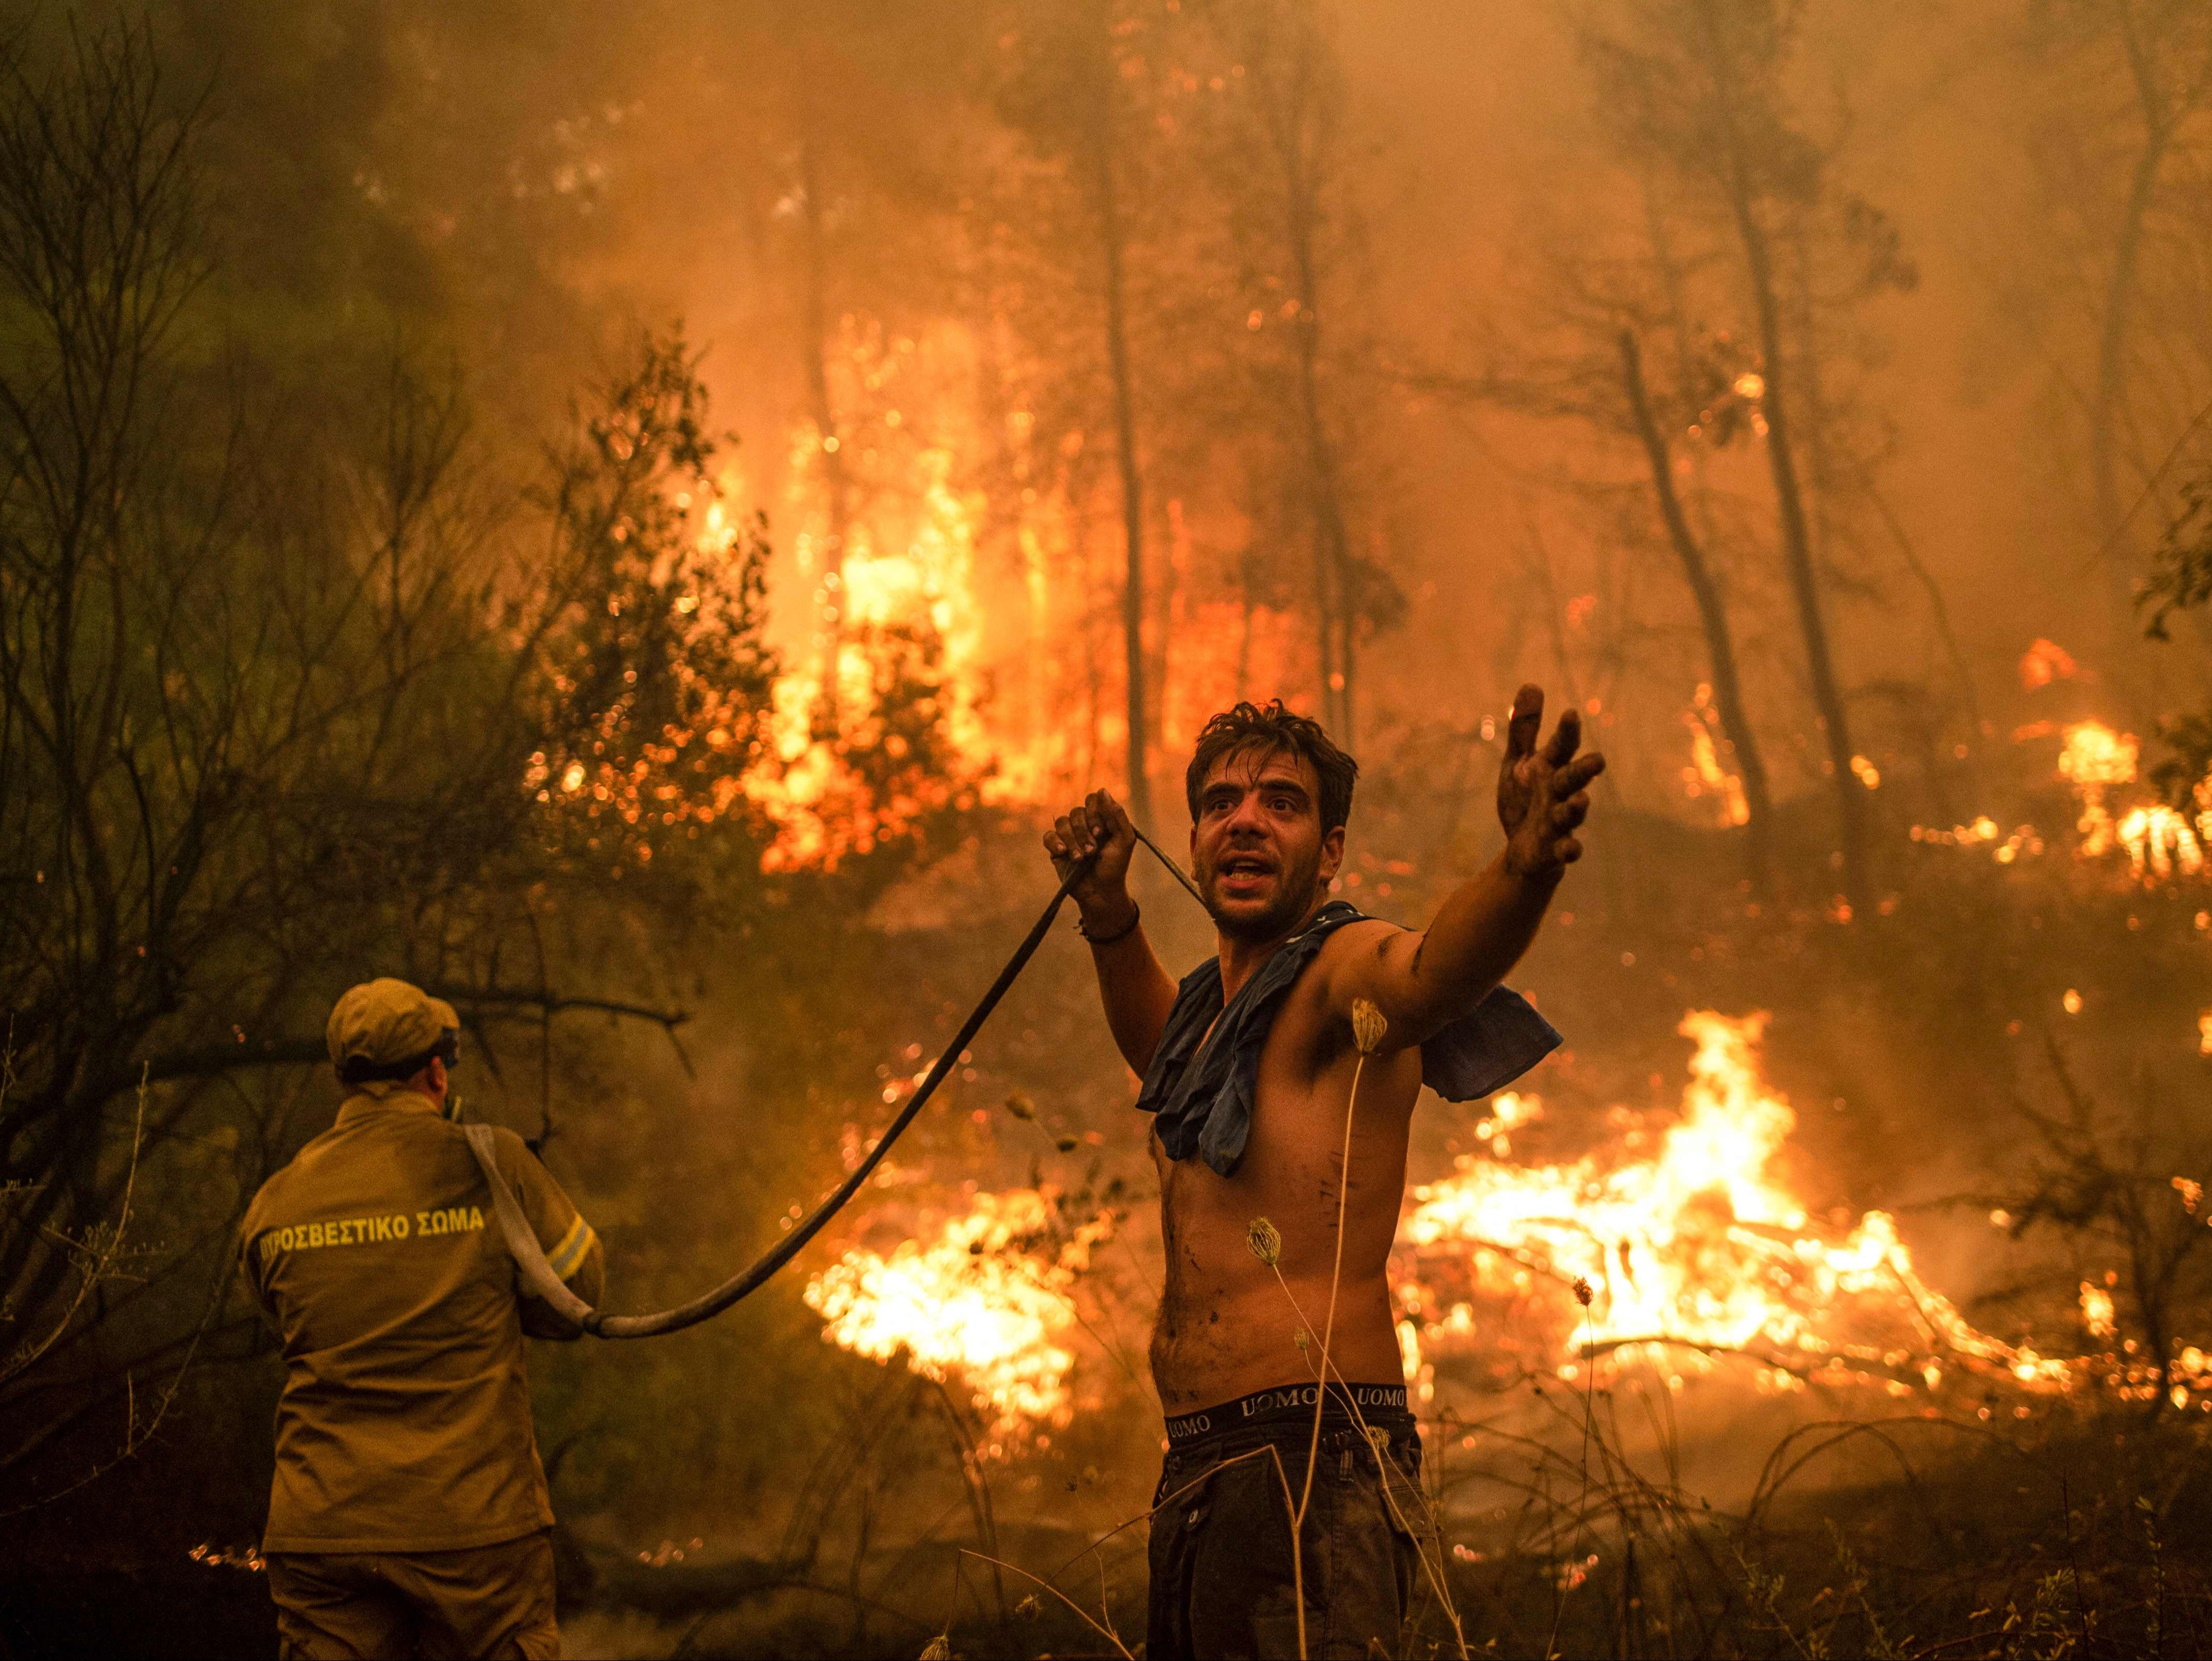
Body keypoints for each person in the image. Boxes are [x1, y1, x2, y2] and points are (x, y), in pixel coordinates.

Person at [1044, 688, 1602, 1660]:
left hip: (1312, 1461)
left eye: (1280, 802)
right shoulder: (1211, 1017)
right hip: (1203, 1467)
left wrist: (1521, 870)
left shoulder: (1338, 972)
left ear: (1329, 850)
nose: (1245, 819)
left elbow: (1430, 975)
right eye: (1221, 803)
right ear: (1196, 836)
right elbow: (1160, 1061)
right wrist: (1108, 914)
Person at [239, 978, 604, 1660]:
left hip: (323, 1530)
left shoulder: (276, 1200)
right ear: (437, 1072)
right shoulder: (493, 1164)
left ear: (343, 1079)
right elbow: (578, 1297)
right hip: (473, 1531)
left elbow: (283, 1324)